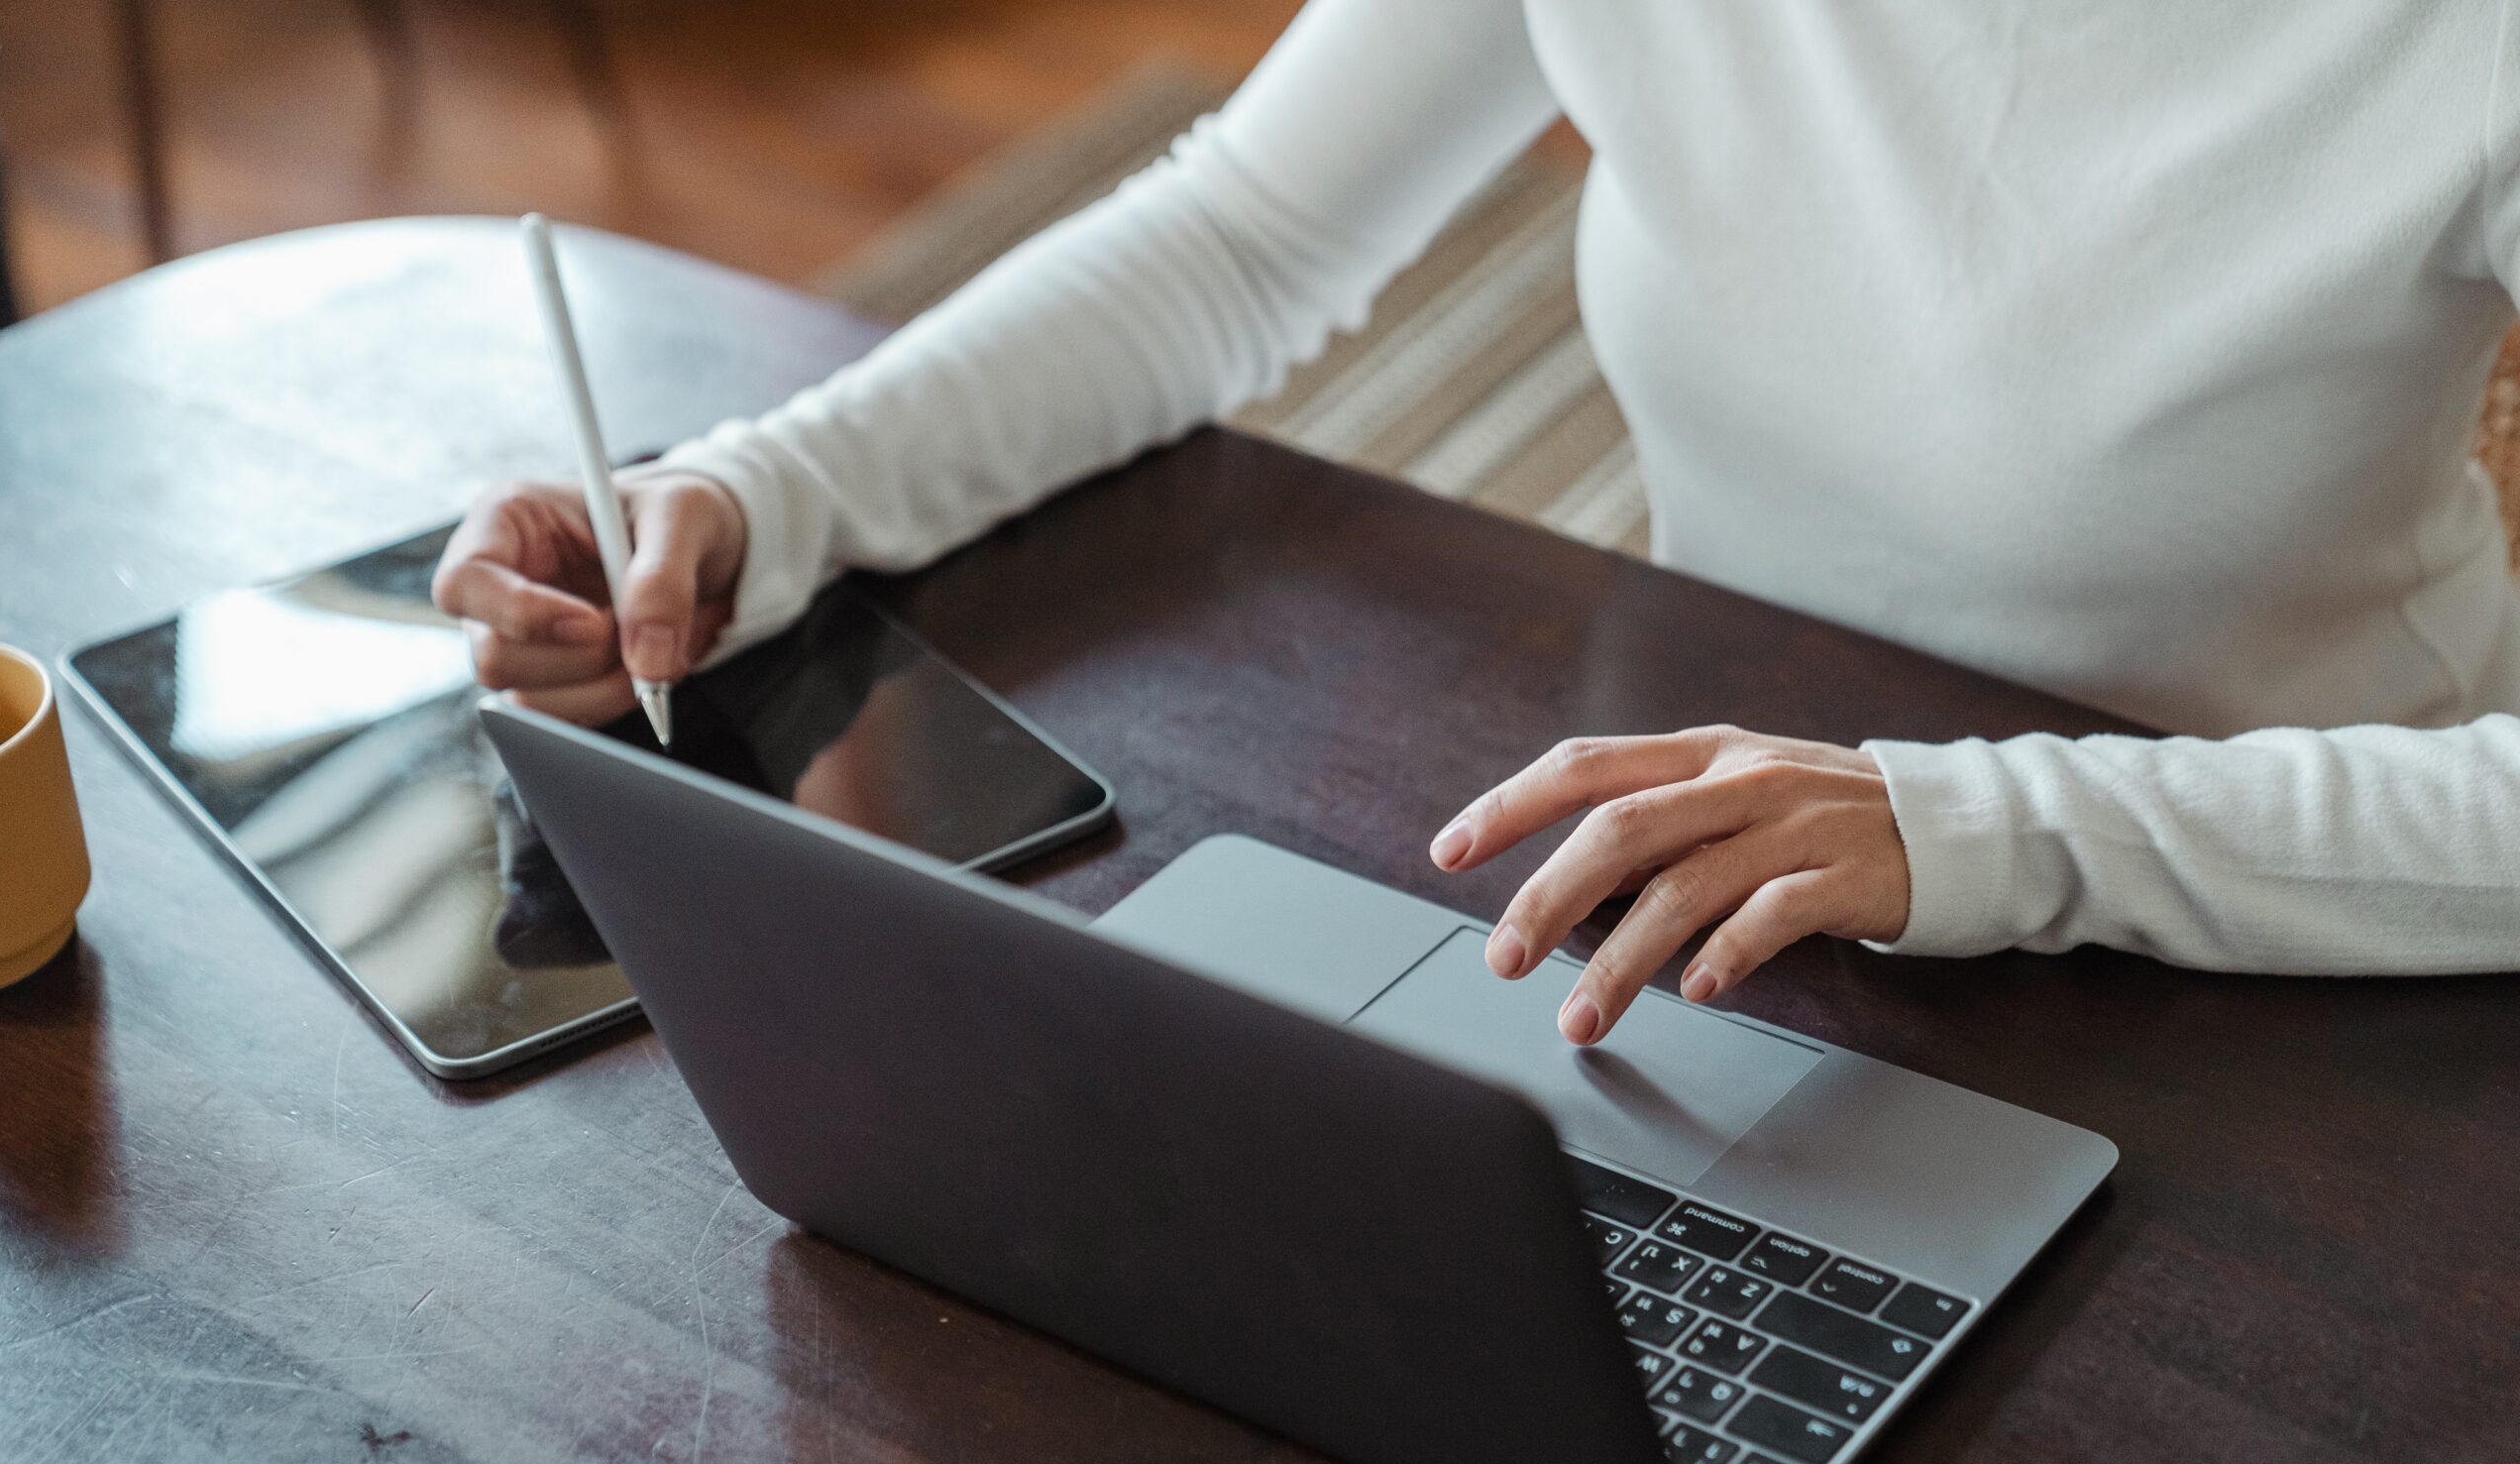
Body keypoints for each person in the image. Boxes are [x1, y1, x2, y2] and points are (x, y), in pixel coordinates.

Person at [437, 0, 2520, 1049]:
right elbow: (1248, 232)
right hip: (1719, 866)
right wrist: (759, 489)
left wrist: (1974, 829)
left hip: (2300, 925)